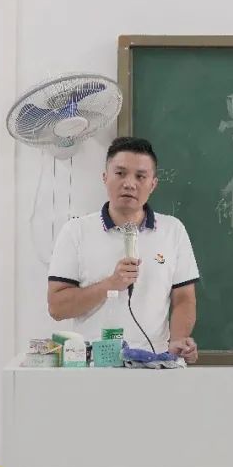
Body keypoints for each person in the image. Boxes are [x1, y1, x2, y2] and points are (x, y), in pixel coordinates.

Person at [47, 136, 200, 363]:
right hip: (93, 365)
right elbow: (57, 307)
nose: (129, 184)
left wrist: (178, 339)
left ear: (153, 184)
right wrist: (110, 284)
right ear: (105, 177)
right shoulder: (76, 231)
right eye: (120, 173)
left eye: (140, 176)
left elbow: (184, 298)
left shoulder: (172, 230)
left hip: (154, 363)